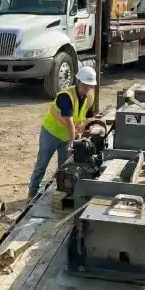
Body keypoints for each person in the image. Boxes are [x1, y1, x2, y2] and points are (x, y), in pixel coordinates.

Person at [28, 66, 97, 198]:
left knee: (64, 167)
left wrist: (84, 128)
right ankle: (32, 194)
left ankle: (61, 191)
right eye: (85, 85)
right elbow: (69, 122)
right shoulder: (66, 97)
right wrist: (73, 143)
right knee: (42, 164)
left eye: (90, 86)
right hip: (51, 133)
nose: (88, 88)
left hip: (67, 135)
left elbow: (87, 116)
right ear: (79, 82)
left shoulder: (90, 97)